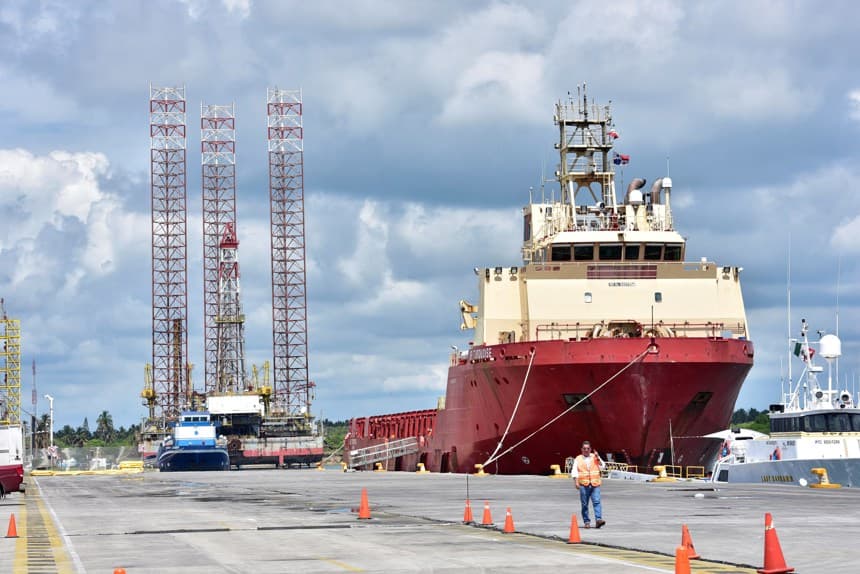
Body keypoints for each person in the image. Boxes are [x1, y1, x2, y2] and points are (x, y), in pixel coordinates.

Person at [571, 440, 605, 529]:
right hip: (584, 484)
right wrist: (576, 482)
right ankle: (586, 521)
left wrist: (598, 458)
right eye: (584, 448)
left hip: (595, 484)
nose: (586, 450)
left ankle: (598, 520)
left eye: (588, 448)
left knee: (597, 502)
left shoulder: (595, 457)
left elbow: (603, 466)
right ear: (581, 449)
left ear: (590, 449)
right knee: (585, 504)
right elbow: (574, 471)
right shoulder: (578, 459)